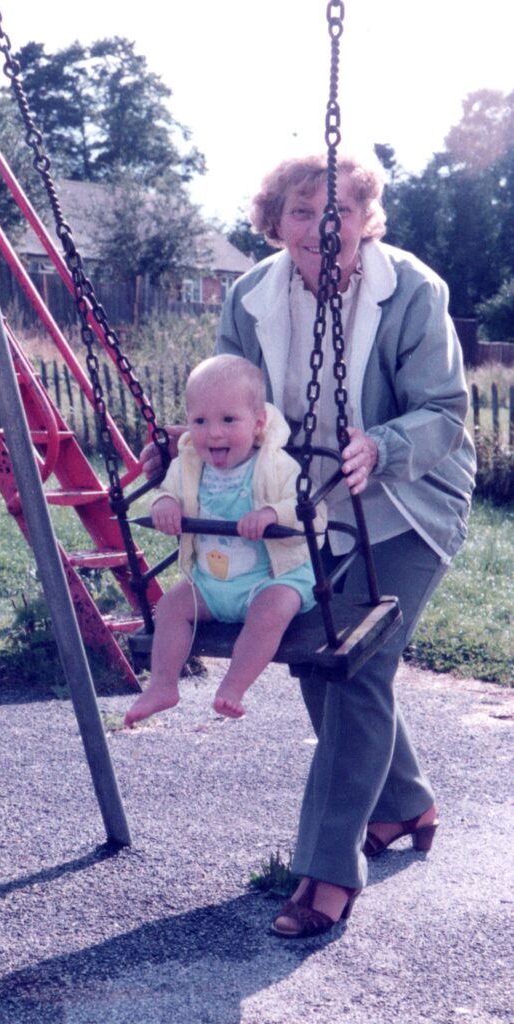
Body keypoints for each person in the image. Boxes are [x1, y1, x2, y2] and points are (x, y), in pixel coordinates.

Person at [141, 152, 476, 939]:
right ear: (274, 220)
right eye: (300, 212)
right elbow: (227, 397)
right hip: (300, 501)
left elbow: (443, 410)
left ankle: (326, 871)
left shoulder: (411, 292)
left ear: (366, 219)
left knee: (354, 662)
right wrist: (184, 446)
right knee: (319, 660)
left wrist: (380, 447)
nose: (320, 229)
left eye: (339, 213)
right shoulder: (253, 294)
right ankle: (403, 806)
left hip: (406, 496)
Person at [124, 354, 326, 728]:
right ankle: (163, 685)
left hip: (271, 578)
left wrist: (270, 515)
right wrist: (165, 504)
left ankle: (234, 685)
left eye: (228, 420)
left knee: (271, 613)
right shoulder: (189, 465)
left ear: (258, 423)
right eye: (200, 421)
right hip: (212, 583)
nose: (213, 433)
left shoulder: (276, 465)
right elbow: (166, 492)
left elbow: (311, 510)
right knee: (169, 609)